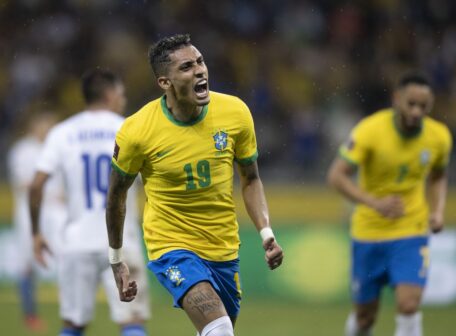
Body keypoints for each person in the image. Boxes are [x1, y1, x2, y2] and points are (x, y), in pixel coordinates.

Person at [106, 34, 284, 336]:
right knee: (220, 329)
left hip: (223, 247)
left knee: (217, 330)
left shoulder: (235, 113)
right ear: (165, 82)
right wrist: (116, 259)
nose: (200, 70)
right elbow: (116, 196)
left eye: (200, 62)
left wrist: (266, 232)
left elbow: (251, 179)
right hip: (171, 246)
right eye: (187, 67)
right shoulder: (137, 131)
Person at [327, 73, 452, 336]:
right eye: (411, 104)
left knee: (409, 305)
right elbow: (336, 176)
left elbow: (439, 176)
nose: (417, 112)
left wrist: (438, 211)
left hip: (411, 229)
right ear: (397, 99)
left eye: (423, 106)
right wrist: (374, 203)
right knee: (365, 317)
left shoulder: (439, 137)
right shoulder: (370, 130)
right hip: (368, 232)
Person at [29, 69, 151, 336]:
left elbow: (36, 185)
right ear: (110, 95)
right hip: (121, 239)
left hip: (76, 242)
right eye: (121, 94)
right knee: (132, 321)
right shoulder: (130, 128)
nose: (123, 100)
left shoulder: (63, 132)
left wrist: (36, 233)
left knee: (73, 325)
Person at [7, 113, 67, 332]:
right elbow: (23, 183)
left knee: (64, 259)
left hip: (57, 212)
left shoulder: (57, 148)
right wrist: (49, 195)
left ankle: (68, 310)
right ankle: (30, 313)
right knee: (27, 263)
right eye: (45, 124)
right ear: (34, 126)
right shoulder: (23, 150)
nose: (48, 129)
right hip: (28, 213)